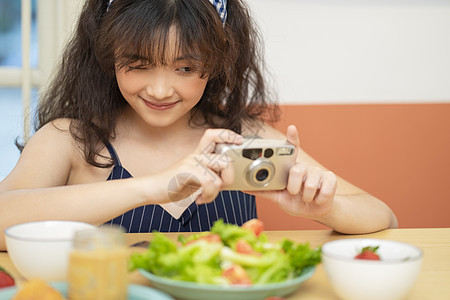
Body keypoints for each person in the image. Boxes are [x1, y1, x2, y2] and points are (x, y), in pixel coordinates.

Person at [0, 0, 397, 251]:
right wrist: (154, 186)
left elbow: (383, 217)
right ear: (107, 56)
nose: (160, 88)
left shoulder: (247, 139)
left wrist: (327, 208)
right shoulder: (70, 140)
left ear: (216, 63)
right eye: (137, 65)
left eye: (185, 68)